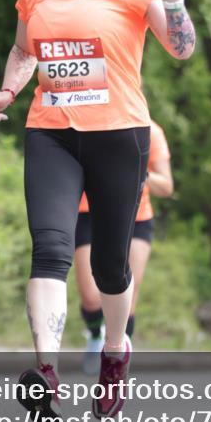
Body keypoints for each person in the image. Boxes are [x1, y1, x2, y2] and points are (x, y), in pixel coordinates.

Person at [0, 0, 202, 419]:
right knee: (50, 249)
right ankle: (47, 374)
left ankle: (114, 352)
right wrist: (8, 89)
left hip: (119, 135)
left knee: (108, 265)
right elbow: (23, 51)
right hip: (51, 132)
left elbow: (181, 48)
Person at [75, 118, 173, 373]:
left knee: (127, 288)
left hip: (136, 217)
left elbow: (166, 186)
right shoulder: (89, 119)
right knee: (90, 295)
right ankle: (95, 335)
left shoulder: (152, 131)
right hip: (88, 213)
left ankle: (117, 356)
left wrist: (135, 170)